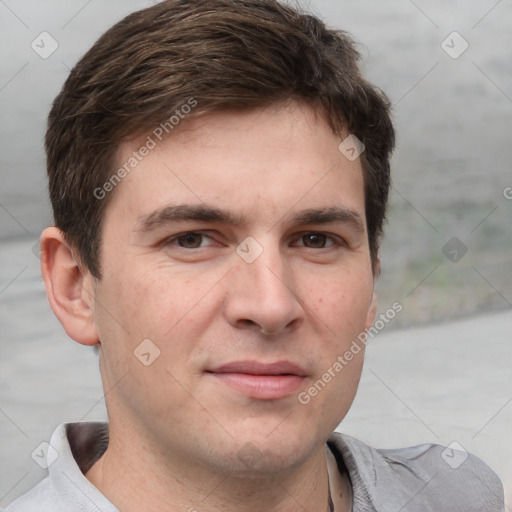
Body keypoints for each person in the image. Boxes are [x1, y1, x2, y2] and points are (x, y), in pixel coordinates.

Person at [4, 0, 504, 511]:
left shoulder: (457, 495)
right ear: (74, 287)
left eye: (316, 240)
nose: (270, 305)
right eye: (193, 239)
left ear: (372, 283)